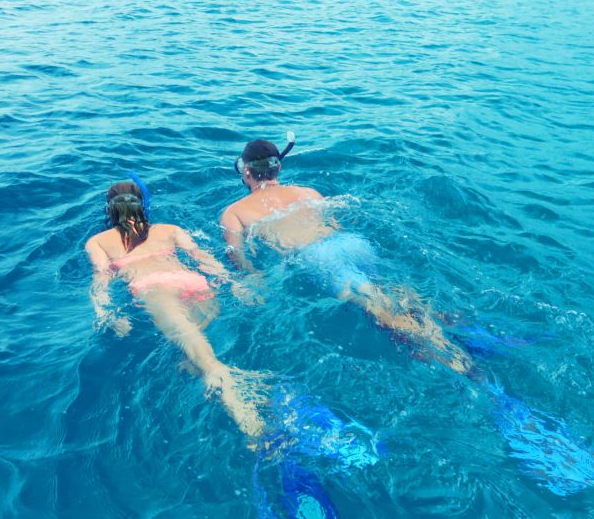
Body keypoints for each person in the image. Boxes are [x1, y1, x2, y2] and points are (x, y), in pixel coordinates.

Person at [219, 138, 470, 373]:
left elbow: (238, 258)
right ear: (278, 168)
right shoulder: (309, 192)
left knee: (386, 317)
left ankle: (466, 369)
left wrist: (254, 280)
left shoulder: (234, 212)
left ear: (247, 172)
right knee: (391, 291)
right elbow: (333, 225)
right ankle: (468, 332)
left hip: (320, 258)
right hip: (352, 244)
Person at [87, 180, 264, 437]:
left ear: (109, 209)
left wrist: (107, 313)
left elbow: (101, 279)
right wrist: (234, 283)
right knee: (194, 348)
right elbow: (202, 257)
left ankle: (252, 426)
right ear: (143, 205)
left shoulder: (98, 242)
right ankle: (196, 364)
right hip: (197, 285)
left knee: (210, 364)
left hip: (156, 290)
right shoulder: (170, 229)